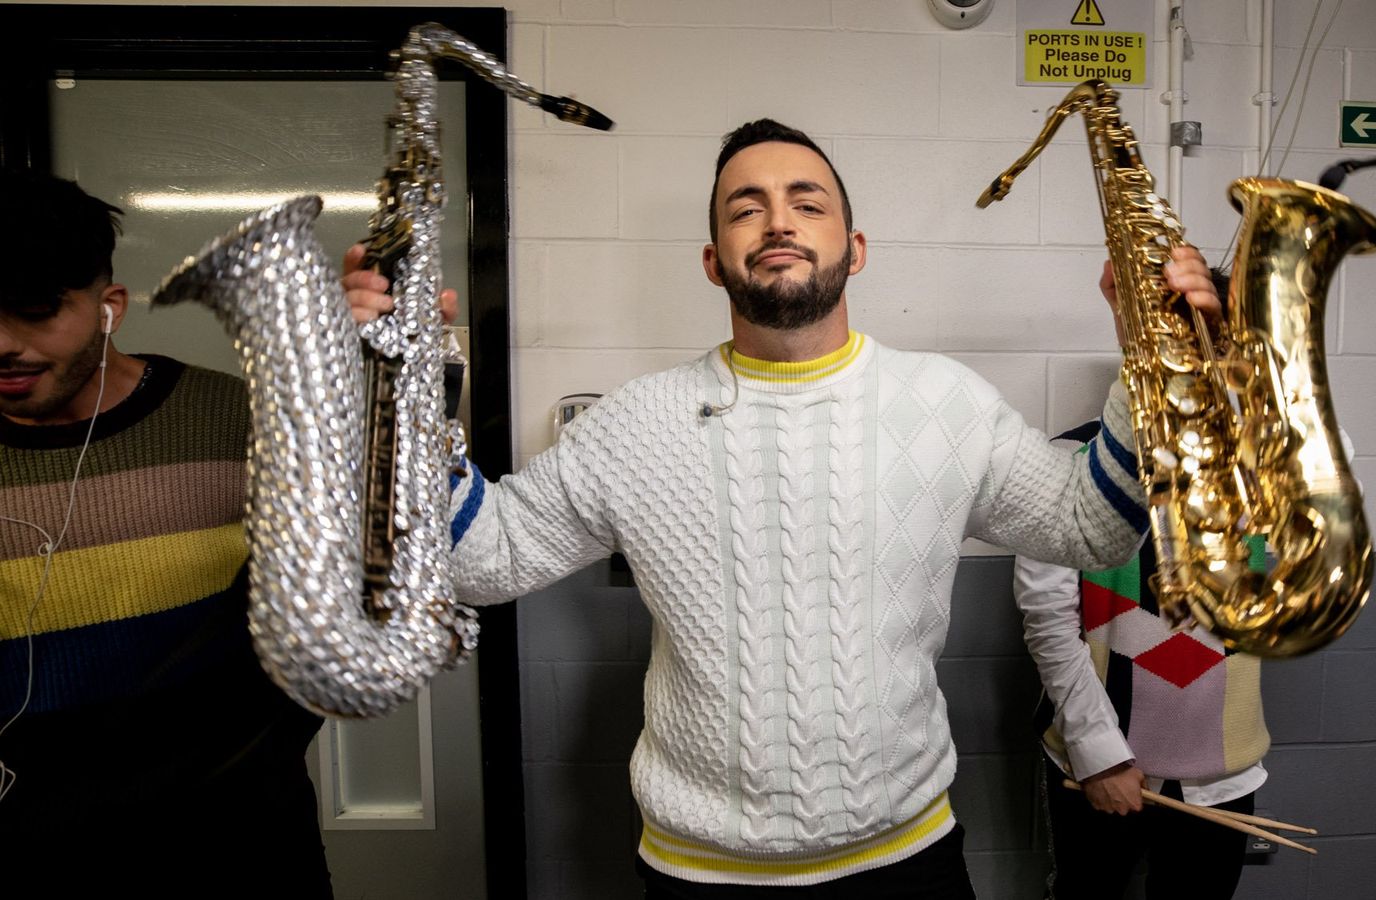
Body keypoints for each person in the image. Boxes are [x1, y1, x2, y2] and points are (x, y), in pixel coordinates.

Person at [346, 118, 1220, 897]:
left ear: (856, 245)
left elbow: (1088, 524)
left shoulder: (946, 403)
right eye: (744, 207)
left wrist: (1153, 360)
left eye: (806, 202)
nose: (777, 221)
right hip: (699, 875)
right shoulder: (634, 424)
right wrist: (402, 384)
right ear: (712, 258)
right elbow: (479, 560)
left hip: (907, 865)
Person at [0, 171, 332, 898]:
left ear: (108, 308)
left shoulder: (247, 420)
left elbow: (340, 613)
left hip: (234, 842)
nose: (4, 345)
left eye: (34, 311)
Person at [1014, 373, 1270, 898]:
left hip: (1225, 769)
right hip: (1095, 761)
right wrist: (1098, 751)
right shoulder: (1069, 456)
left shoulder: (1270, 459)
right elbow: (1050, 620)